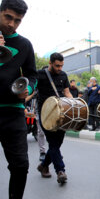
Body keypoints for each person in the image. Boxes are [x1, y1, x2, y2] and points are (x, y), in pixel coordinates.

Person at [0, 0, 37, 199]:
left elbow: (32, 74)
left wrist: (29, 87)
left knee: (20, 166)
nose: (12, 24)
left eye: (17, 20)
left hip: (12, 112)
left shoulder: (24, 44)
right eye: (8, 17)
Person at [36, 52, 73, 184]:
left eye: (61, 66)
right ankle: (60, 171)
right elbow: (32, 89)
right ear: (50, 63)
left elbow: (67, 92)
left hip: (61, 114)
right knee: (53, 142)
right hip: (45, 115)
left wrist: (74, 103)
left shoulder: (63, 75)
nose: (60, 69)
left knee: (57, 144)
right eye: (57, 66)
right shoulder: (40, 74)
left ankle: (43, 165)